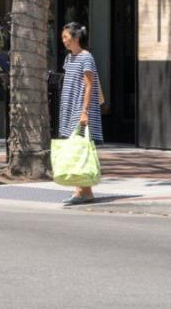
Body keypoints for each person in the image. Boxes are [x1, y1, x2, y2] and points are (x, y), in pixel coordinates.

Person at [58, 21, 104, 205]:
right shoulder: (69, 58)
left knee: (78, 149)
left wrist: (84, 111)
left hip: (81, 107)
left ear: (76, 37)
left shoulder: (87, 58)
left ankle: (79, 192)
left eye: (66, 37)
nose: (63, 40)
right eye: (63, 37)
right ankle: (87, 192)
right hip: (69, 107)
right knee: (78, 148)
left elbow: (89, 85)